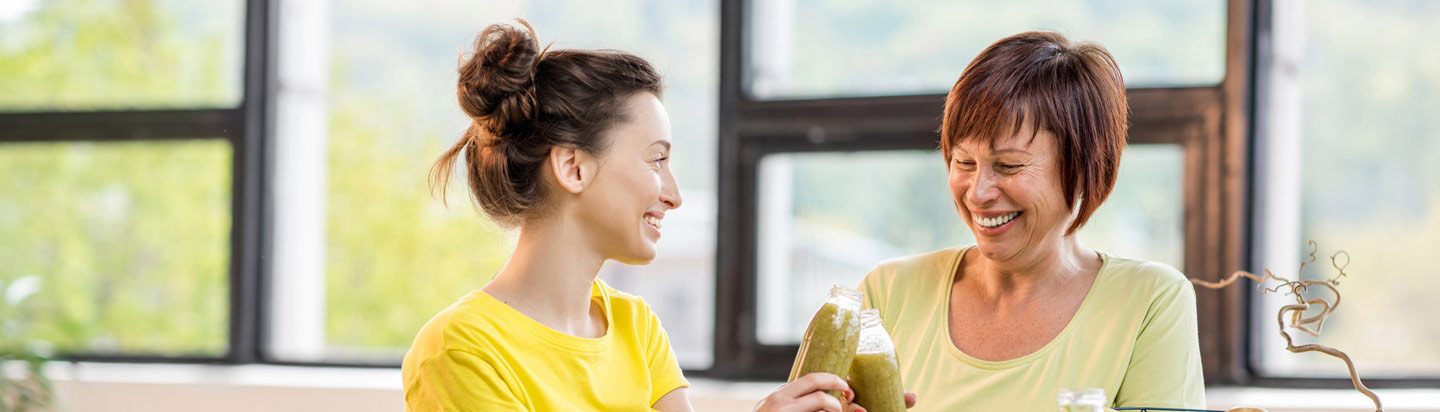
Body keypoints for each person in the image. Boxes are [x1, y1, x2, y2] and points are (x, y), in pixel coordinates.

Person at [401, 19, 859, 412]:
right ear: (573, 167)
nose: (674, 195)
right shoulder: (461, 350)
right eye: (656, 159)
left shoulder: (635, 326)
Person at [857, 31, 1205, 411]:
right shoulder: (886, 293)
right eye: (964, 162)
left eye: (1008, 166)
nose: (977, 192)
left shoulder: (1150, 301)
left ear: (1085, 168)